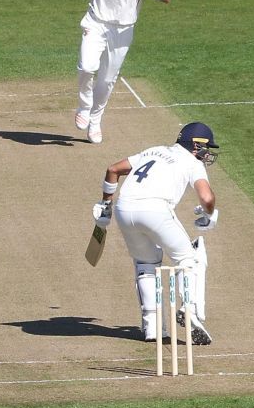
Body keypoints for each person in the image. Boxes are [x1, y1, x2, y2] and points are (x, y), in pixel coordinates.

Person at [92, 122, 218, 344]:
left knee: (145, 263)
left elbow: (113, 170)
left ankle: (152, 327)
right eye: (207, 149)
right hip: (156, 210)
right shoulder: (192, 162)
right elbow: (207, 198)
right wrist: (208, 215)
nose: (208, 155)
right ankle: (190, 312)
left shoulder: (154, 150)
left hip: (124, 208)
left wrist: (105, 205)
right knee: (190, 258)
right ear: (196, 146)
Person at [45, 0, 169, 143]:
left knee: (107, 80)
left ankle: (95, 120)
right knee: (86, 66)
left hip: (122, 30)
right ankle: (84, 107)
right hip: (96, 22)